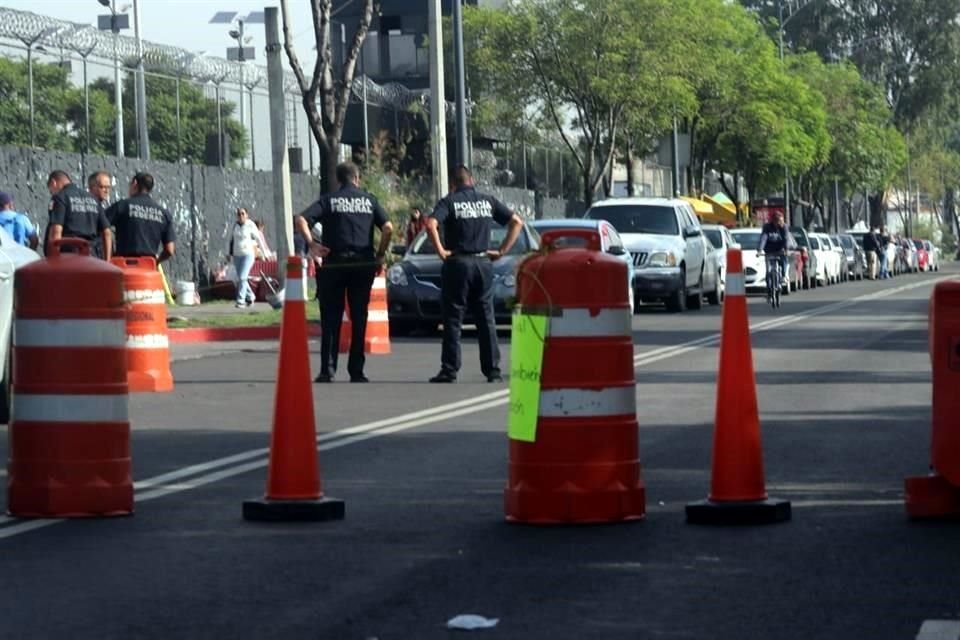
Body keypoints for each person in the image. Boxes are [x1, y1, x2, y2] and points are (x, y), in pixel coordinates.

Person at [425, 165, 523, 383]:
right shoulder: (487, 200)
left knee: (453, 318)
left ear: (452, 184)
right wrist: (501, 251)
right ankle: (493, 370)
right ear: (472, 180)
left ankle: (450, 369)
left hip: (458, 263)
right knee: (485, 317)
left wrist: (441, 252)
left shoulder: (449, 201)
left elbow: (431, 224)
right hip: (483, 263)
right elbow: (517, 222)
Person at [296, 161, 394, 383]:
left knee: (331, 317)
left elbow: (301, 219)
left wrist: (312, 244)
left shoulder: (330, 200)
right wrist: (380, 253)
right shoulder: (369, 200)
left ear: (339, 180)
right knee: (359, 316)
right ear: (357, 178)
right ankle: (356, 371)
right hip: (362, 264)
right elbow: (388, 227)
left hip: (335, 264)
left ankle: (327, 370)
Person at [104, 172, 176, 270]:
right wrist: (156, 262)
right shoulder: (164, 213)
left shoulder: (122, 206)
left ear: (135, 183)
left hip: (123, 268)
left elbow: (100, 225)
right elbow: (170, 250)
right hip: (148, 271)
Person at [46, 170, 111, 260]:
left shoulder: (60, 197)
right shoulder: (93, 199)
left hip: (68, 256)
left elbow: (56, 232)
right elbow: (107, 232)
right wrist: (107, 261)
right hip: (92, 256)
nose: (52, 193)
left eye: (51, 191)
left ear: (54, 183)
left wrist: (53, 260)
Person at [228, 208, 266, 308]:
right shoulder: (235, 226)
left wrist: (265, 253)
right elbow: (230, 240)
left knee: (242, 277)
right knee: (241, 278)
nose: (241, 216)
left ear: (247, 215)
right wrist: (228, 254)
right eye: (239, 214)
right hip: (237, 255)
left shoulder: (250, 225)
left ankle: (241, 301)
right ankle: (251, 296)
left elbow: (258, 238)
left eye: (243, 214)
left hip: (248, 255)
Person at [756, 211, 795, 282]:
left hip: (780, 249)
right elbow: (763, 238)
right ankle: (768, 279)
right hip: (769, 250)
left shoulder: (784, 227)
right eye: (779, 221)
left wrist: (786, 250)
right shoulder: (767, 227)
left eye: (782, 221)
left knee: (784, 259)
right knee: (768, 268)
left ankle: (783, 275)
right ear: (774, 221)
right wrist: (760, 250)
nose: (781, 223)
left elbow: (786, 238)